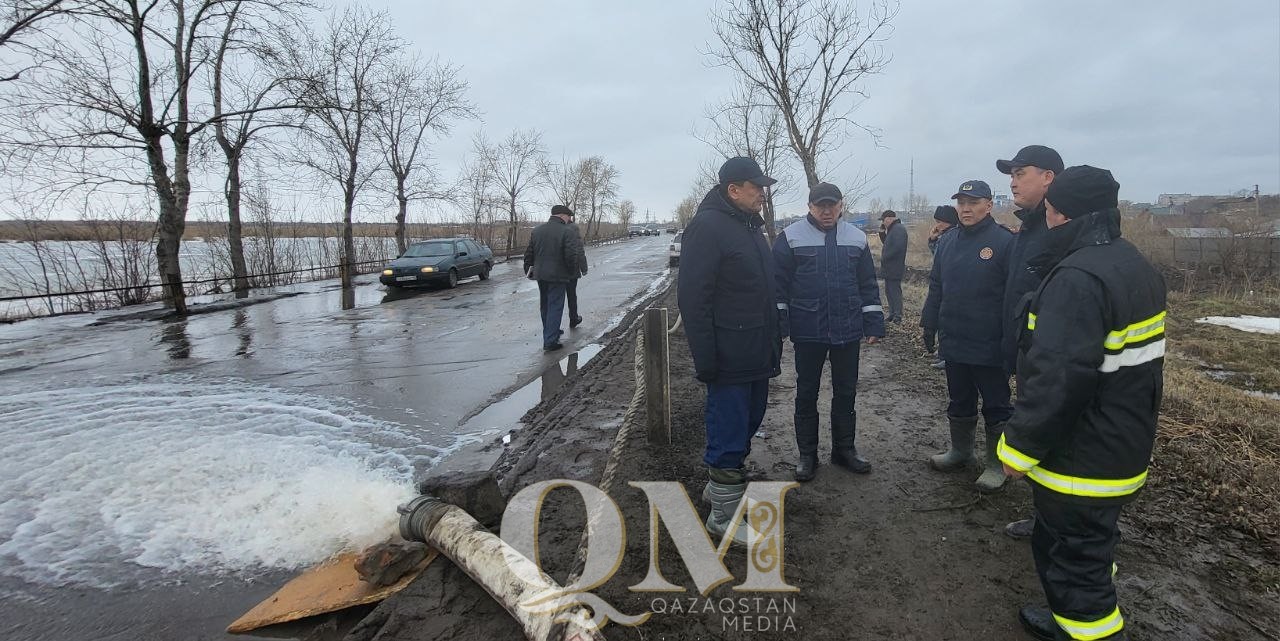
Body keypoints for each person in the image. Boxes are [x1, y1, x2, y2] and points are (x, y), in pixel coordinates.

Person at [998, 166, 1166, 641]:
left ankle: (1085, 626)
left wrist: (1018, 450)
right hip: (1122, 443)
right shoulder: (1131, 263)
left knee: (1076, 565)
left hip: (1081, 461)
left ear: (1060, 213)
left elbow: (1059, 379)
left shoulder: (1077, 278)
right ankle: (1069, 617)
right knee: (1093, 548)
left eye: (1049, 210)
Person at [677, 156, 781, 544]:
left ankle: (718, 490)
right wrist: (706, 358)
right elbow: (693, 298)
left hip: (755, 349)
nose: (763, 195)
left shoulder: (749, 227)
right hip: (728, 354)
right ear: (733, 189)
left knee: (750, 420)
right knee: (730, 430)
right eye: (757, 188)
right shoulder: (707, 227)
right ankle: (723, 517)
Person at [773, 182, 884, 482]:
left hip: (848, 331)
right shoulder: (790, 237)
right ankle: (807, 455)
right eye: (820, 205)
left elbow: (868, 286)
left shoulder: (857, 238)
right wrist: (780, 323)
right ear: (809, 207)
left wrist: (874, 322)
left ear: (840, 206)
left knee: (846, 392)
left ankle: (844, 450)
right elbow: (777, 286)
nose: (826, 211)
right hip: (808, 331)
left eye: (831, 205)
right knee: (806, 393)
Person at [921, 180, 1015, 493]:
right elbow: (936, 285)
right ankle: (961, 451)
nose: (965, 208)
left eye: (973, 202)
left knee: (996, 405)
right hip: (955, 339)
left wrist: (1011, 341)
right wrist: (929, 323)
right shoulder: (948, 241)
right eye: (961, 202)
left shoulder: (1004, 242)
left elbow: (1014, 297)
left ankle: (995, 464)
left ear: (989, 205)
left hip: (990, 343)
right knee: (959, 398)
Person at [996, 144, 1065, 539]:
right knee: (1037, 426)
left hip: (1051, 357)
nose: (1013, 180)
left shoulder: (1060, 229)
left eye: (1021, 172)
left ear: (1049, 177)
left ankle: (1055, 521)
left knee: (1053, 433)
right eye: (1012, 173)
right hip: (1029, 352)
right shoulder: (1030, 228)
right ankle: (1044, 515)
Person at [523, 204, 582, 352]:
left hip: (540, 275)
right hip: (558, 275)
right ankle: (550, 340)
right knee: (555, 306)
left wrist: (528, 270)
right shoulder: (567, 232)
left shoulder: (537, 231)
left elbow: (529, 253)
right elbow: (571, 255)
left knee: (545, 305)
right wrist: (570, 272)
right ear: (562, 215)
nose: (569, 219)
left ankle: (550, 332)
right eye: (569, 216)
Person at [926, 205, 959, 370]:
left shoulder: (954, 237)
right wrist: (932, 240)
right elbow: (937, 257)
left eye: (940, 221)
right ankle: (943, 354)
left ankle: (947, 355)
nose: (937, 225)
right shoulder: (944, 237)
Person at [877, 210, 908, 322]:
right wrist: (882, 233)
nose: (883, 223)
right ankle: (892, 313)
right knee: (889, 291)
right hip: (889, 267)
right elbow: (887, 243)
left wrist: (885, 257)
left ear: (890, 218)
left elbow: (898, 247)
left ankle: (897, 315)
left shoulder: (898, 229)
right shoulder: (893, 229)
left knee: (894, 291)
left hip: (895, 266)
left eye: (883, 220)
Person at [566, 222, 588, 328]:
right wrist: (584, 268)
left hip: (555, 270)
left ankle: (553, 326)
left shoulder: (553, 227)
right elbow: (579, 249)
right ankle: (573, 318)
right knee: (571, 295)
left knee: (556, 298)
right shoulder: (573, 228)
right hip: (572, 269)